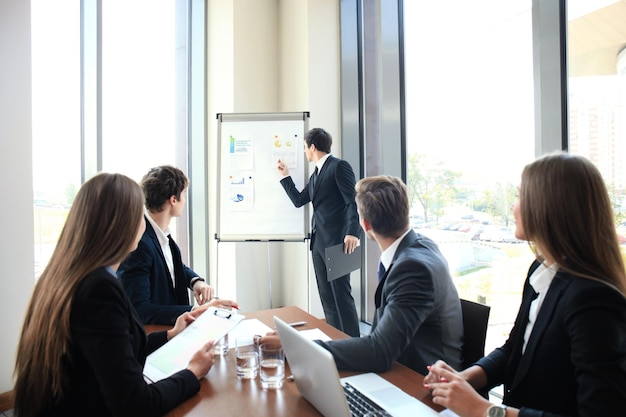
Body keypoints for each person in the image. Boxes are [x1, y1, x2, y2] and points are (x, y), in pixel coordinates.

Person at [424, 152, 626, 417]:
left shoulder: (593, 300)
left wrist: (485, 410)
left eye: (520, 196)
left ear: (548, 206)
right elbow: (514, 351)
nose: (513, 206)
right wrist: (463, 379)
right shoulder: (541, 271)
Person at [14, 173, 217, 417]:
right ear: (123, 223)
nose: (143, 222)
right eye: (138, 214)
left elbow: (113, 349)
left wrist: (170, 334)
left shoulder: (63, 275)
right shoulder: (99, 289)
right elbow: (136, 405)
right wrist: (192, 372)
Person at [264, 175, 463, 375]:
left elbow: (380, 351)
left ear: (365, 225)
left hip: (422, 383)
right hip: (401, 366)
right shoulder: (421, 245)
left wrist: (297, 347)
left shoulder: (412, 268)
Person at [118, 165, 237, 325]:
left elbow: (171, 265)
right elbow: (139, 309)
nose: (185, 200)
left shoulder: (160, 232)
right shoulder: (140, 243)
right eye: (184, 194)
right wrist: (197, 311)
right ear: (173, 200)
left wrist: (195, 281)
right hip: (155, 336)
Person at [277, 128, 360, 336]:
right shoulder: (316, 175)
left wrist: (353, 232)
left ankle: (354, 344)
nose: (304, 152)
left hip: (340, 243)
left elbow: (353, 201)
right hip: (318, 244)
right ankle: (336, 340)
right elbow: (299, 200)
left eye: (305, 147)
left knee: (341, 296)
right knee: (327, 297)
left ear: (312, 147)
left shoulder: (339, 166)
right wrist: (285, 176)